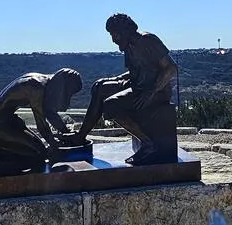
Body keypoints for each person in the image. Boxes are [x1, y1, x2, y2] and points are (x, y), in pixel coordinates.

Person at [75, 13, 179, 165]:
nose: (113, 39)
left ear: (125, 31)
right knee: (99, 87)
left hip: (156, 91)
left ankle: (148, 144)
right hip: (136, 85)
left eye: (114, 34)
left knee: (111, 105)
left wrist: (151, 92)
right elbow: (134, 72)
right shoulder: (129, 47)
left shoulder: (147, 40)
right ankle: (80, 136)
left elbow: (171, 68)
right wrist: (115, 80)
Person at [0, 68, 82, 177]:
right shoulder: (36, 86)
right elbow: (41, 123)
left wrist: (66, 132)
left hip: (8, 120)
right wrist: (54, 144)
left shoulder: (46, 82)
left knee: (40, 149)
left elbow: (50, 112)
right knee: (38, 155)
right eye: (69, 92)